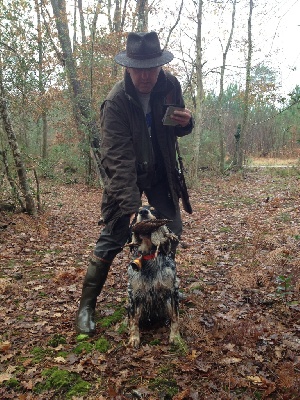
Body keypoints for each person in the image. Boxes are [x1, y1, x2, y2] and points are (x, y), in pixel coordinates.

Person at [75, 31, 194, 336]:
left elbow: (177, 127)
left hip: (162, 171)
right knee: (114, 234)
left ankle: (161, 290)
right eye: (138, 69)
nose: (145, 77)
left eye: (151, 69)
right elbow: (117, 161)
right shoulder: (116, 103)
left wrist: (187, 123)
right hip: (128, 175)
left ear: (159, 65)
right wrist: (130, 209)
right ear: (127, 67)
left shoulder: (170, 86)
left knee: (170, 231)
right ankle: (87, 307)